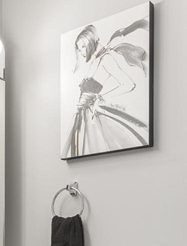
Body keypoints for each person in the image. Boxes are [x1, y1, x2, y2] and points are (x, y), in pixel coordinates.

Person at [64, 19, 150, 158]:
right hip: (81, 116)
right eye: (78, 49)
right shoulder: (95, 61)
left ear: (90, 42)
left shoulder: (106, 58)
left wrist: (102, 97)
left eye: (82, 47)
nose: (81, 52)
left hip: (91, 116)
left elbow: (128, 83)